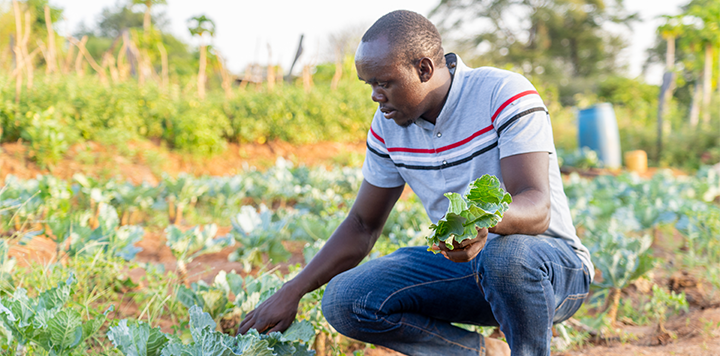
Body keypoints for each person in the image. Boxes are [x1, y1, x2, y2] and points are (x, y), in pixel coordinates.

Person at [238, 10, 593, 356]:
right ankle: (480, 352)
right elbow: (363, 224)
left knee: (504, 254)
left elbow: (536, 206)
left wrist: (479, 223)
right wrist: (293, 290)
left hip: (549, 269)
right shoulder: (387, 126)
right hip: (467, 271)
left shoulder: (502, 92)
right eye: (370, 85)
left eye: (383, 83)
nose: (376, 96)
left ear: (423, 68)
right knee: (346, 299)